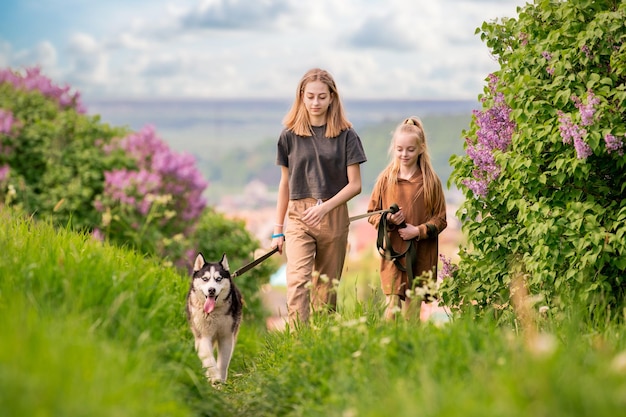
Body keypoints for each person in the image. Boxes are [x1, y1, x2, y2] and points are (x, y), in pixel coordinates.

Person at [271, 68, 367, 326]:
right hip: (299, 217)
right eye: (310, 96)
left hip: (333, 217)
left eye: (322, 97)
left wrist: (325, 208)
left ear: (332, 97)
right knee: (297, 283)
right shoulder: (288, 135)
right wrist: (278, 230)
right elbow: (284, 185)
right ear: (301, 96)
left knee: (326, 292)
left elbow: (355, 185)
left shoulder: (347, 135)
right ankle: (298, 344)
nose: (316, 103)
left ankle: (321, 346)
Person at [367, 116, 447, 321]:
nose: (404, 154)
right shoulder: (386, 179)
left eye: (410, 149)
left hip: (420, 255)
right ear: (394, 148)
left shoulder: (430, 181)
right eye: (400, 149)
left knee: (412, 314)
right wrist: (389, 221)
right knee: (391, 309)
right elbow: (372, 213)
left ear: (421, 148)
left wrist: (418, 231)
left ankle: (411, 351)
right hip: (393, 254)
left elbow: (441, 219)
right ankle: (388, 349)